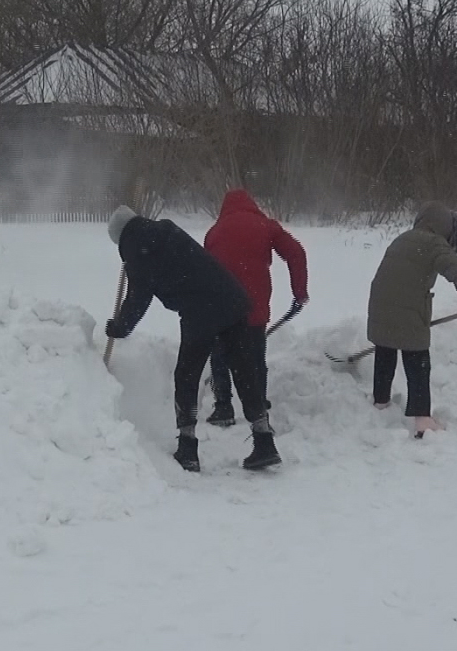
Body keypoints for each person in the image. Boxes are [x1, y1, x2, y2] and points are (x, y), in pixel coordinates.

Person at [104, 205, 282, 471]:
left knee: (186, 374)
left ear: (120, 237)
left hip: (201, 309)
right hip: (232, 298)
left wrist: (119, 327)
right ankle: (264, 441)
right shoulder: (164, 230)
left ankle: (187, 449)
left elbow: (138, 298)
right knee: (244, 371)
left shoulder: (137, 249)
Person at [367, 201, 457, 437]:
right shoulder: (435, 244)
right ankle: (422, 418)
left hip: (380, 305)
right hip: (409, 310)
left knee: (385, 353)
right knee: (417, 360)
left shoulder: (403, 238)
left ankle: (380, 401)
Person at [202, 189, 309, 427]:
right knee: (255, 356)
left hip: (222, 308)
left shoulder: (214, 233)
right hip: (253, 307)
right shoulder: (265, 226)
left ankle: (223, 407)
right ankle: (258, 403)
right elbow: (296, 253)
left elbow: (204, 273)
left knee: (219, 355)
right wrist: (299, 292)